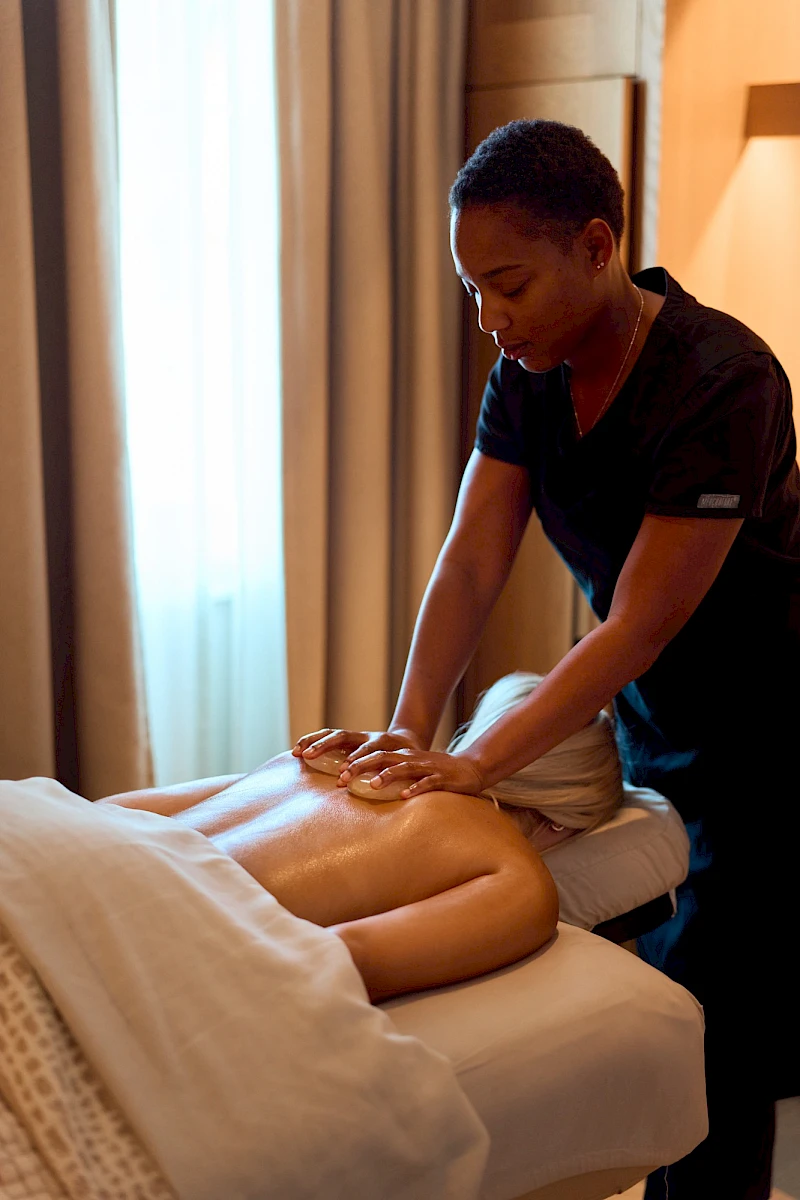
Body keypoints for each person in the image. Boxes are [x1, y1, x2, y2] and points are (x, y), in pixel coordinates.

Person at [293, 120, 800, 1199]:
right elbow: (471, 564)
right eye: (472, 290)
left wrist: (475, 765)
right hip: (659, 716)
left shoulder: (719, 379)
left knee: (721, 1028)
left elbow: (632, 625)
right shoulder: (528, 373)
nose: (490, 319)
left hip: (774, 731)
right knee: (682, 1003)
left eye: (506, 284)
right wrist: (409, 730)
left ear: (595, 243)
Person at [98, 674, 621, 1003]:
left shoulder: (325, 759)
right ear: (563, 823)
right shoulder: (516, 878)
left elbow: (106, 815)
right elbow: (336, 963)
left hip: (54, 873)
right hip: (124, 958)